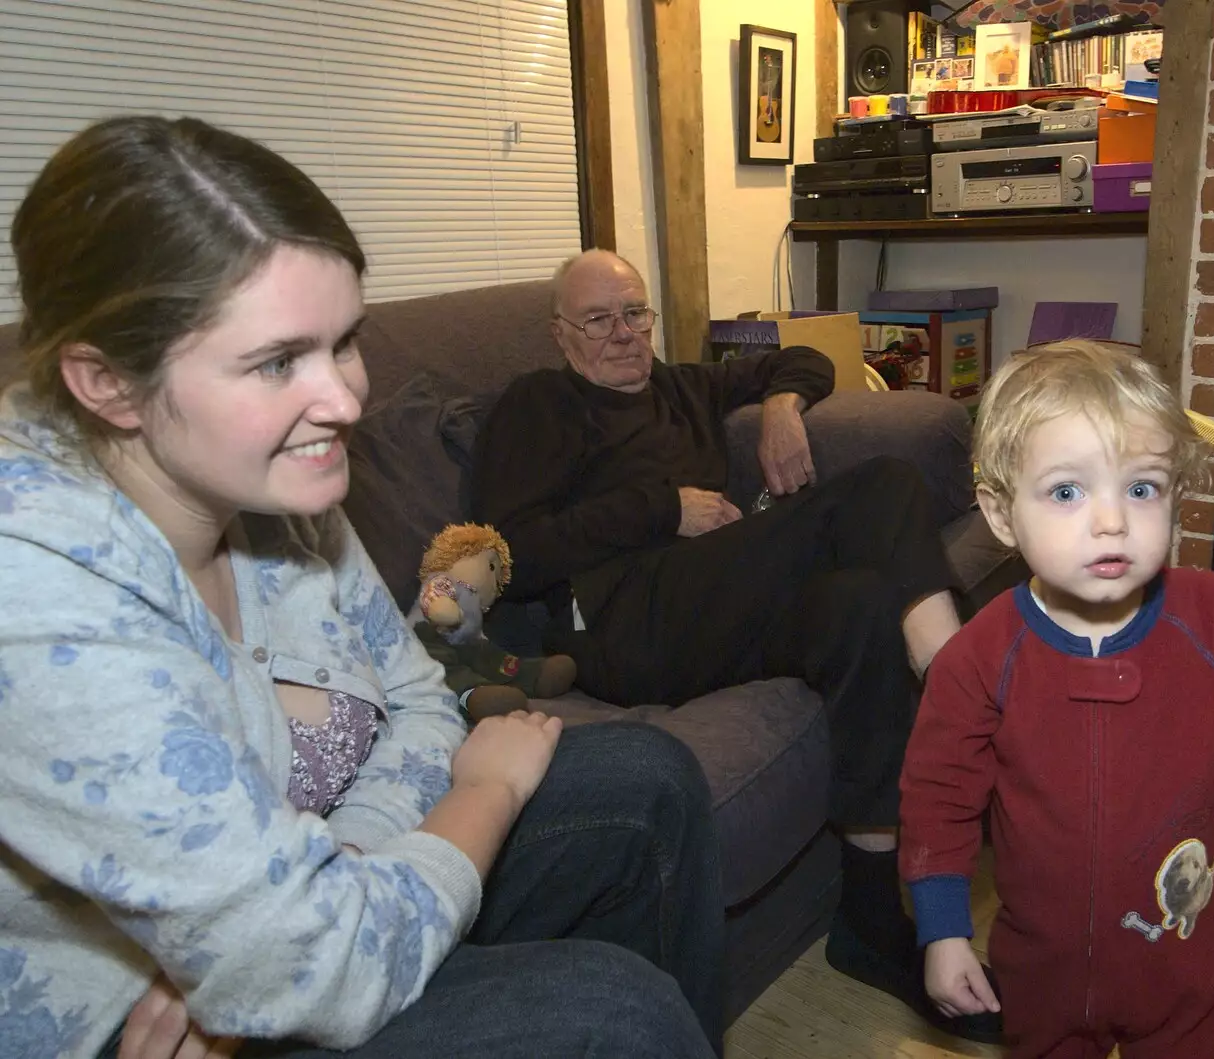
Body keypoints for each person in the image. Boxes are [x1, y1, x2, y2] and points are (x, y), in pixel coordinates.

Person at [0, 116, 723, 1059]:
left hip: (326, 902)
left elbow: (421, 695)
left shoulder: (279, 486)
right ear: (107, 382)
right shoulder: (39, 595)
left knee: (651, 781)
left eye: (342, 341)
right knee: (613, 1014)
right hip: (138, 1029)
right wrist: (485, 797)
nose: (345, 397)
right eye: (275, 362)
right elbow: (312, 958)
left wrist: (343, 868)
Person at [470, 248, 1003, 1042]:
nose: (623, 334)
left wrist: (785, 405)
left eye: (635, 313)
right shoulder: (539, 404)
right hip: (618, 619)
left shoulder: (683, 385)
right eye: (598, 319)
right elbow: (506, 549)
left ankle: (867, 918)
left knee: (861, 608)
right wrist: (660, 508)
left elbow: (805, 355)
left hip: (709, 605)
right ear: (560, 333)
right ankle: (973, 696)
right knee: (885, 484)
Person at [898, 341, 1214, 1058]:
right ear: (1001, 512)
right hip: (1042, 973)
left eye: (1141, 488)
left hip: (1193, 969)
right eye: (1067, 491)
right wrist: (943, 927)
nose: (1111, 520)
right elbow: (938, 798)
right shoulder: (978, 658)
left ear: (1175, 498)